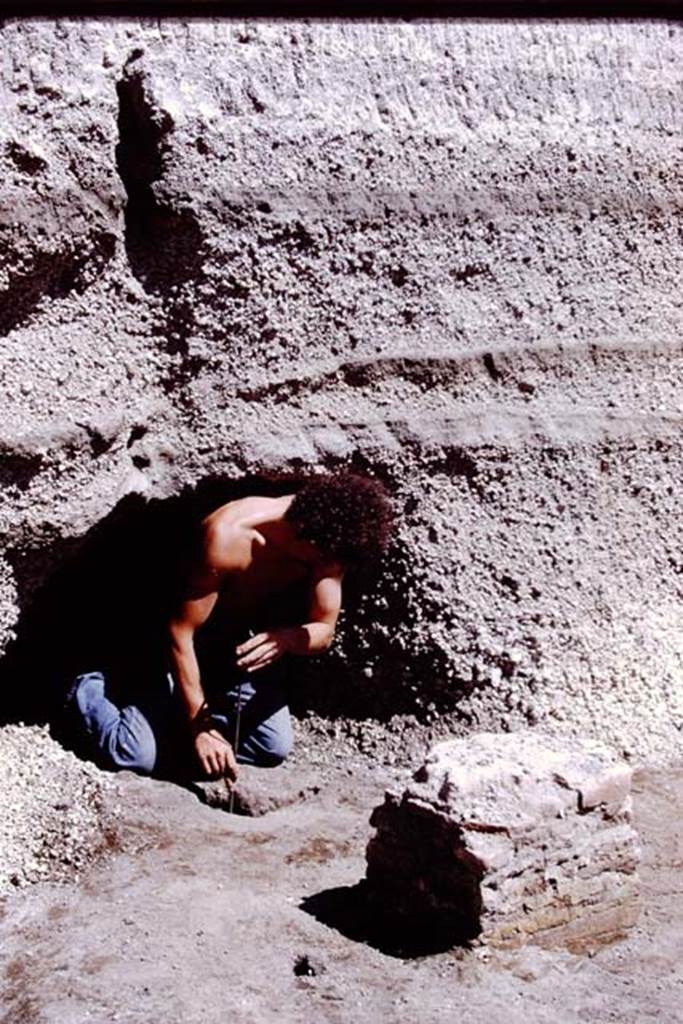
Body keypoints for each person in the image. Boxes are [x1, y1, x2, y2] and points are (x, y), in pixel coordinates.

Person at [63, 472, 393, 782]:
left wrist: (289, 638)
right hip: (167, 638)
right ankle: (86, 688)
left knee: (270, 748)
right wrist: (201, 727)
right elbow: (180, 632)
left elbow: (324, 629)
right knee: (134, 756)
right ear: (304, 534)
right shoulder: (228, 537)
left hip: (228, 643)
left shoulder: (332, 539)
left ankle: (182, 722)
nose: (327, 569)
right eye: (322, 559)